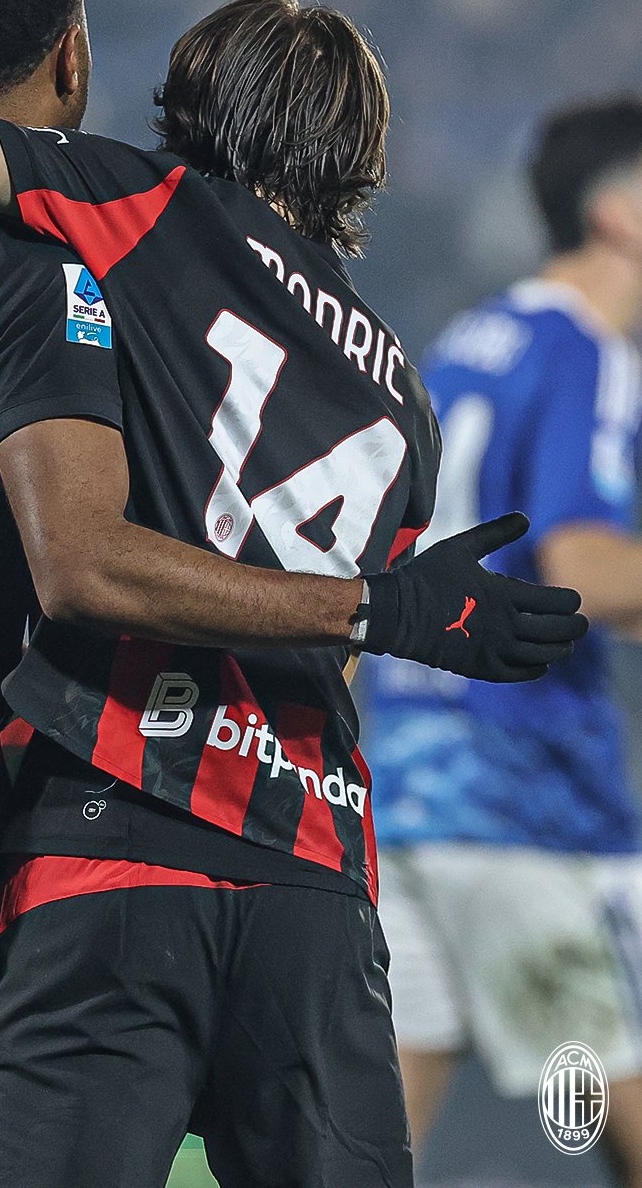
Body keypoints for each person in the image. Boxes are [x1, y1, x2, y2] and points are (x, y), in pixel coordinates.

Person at [0, 0, 586, 1188]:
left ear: (197, 101)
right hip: (315, 887)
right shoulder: (402, 392)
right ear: (357, 153)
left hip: (116, 848)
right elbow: (338, 651)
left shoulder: (146, 205)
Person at [355, 97, 642, 1185]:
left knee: (371, 1145)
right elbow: (583, 571)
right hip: (528, 806)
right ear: (619, 214)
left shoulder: (473, 341)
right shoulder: (588, 350)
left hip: (407, 785)